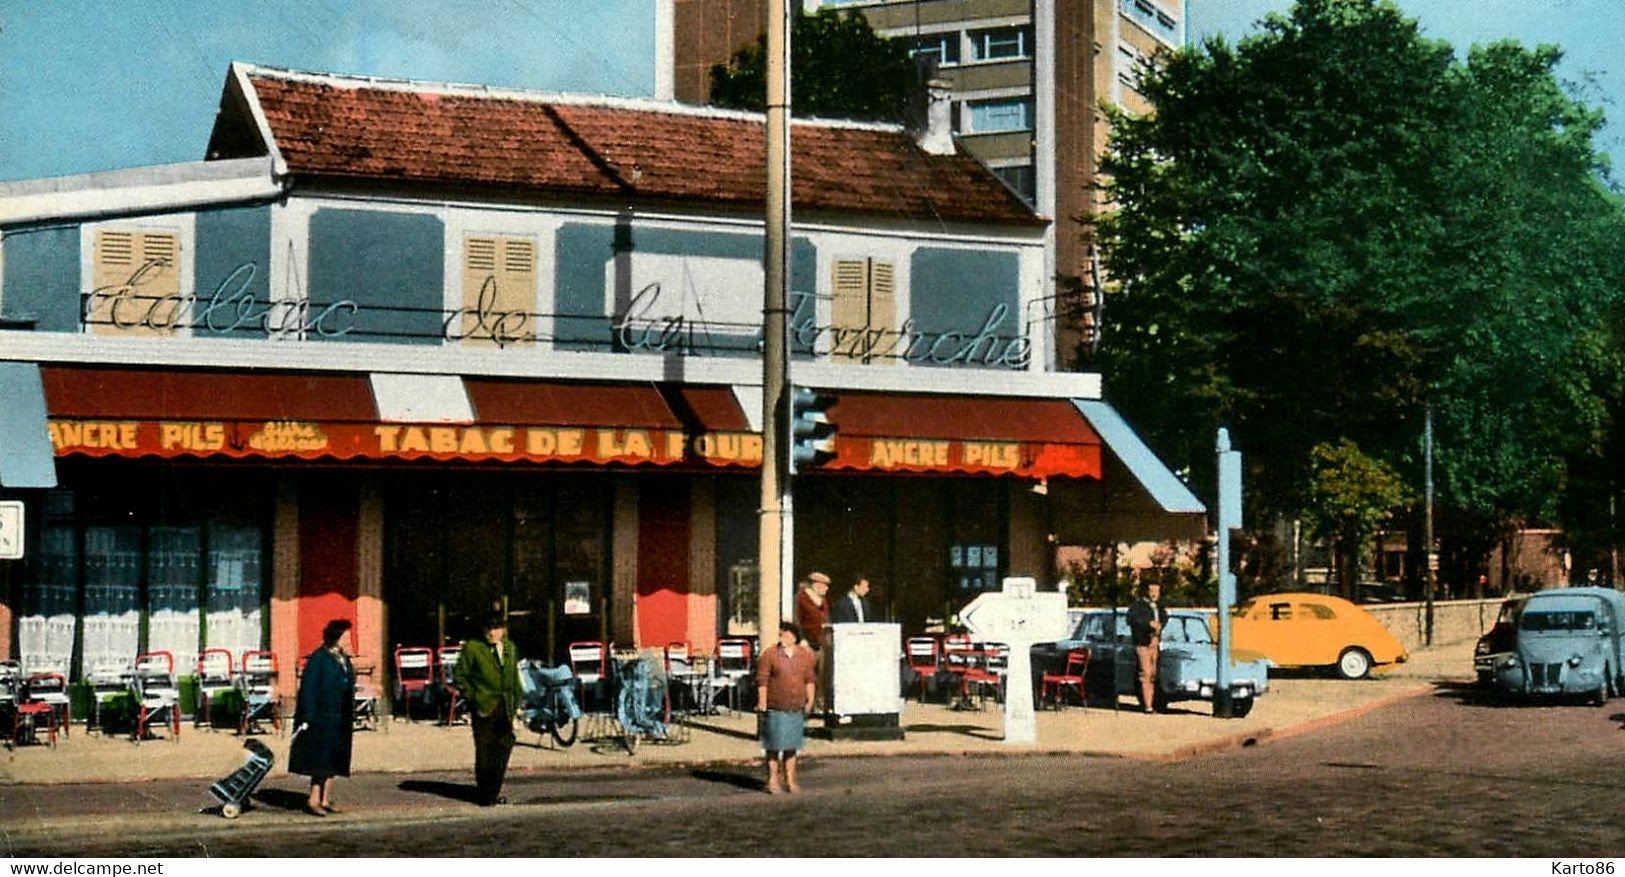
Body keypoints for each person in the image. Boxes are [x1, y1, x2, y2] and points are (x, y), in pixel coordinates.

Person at [452, 612, 523, 806]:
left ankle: (494, 789)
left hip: (505, 705)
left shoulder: (510, 648)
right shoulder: (473, 648)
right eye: (489, 629)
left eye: (497, 629)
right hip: (483, 705)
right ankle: (485, 794)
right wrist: (473, 696)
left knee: (504, 746)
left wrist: (517, 702)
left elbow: (514, 677)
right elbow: (459, 675)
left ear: (504, 630)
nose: (493, 633)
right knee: (485, 750)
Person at [288, 618, 357, 817]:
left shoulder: (343, 658)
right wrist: (308, 716)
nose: (349, 639)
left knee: (334, 759)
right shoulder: (319, 658)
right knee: (320, 760)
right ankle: (313, 799)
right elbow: (308, 689)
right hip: (321, 716)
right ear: (336, 637)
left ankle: (326, 799)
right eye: (346, 636)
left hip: (340, 716)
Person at [754, 620, 817, 795]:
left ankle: (790, 780)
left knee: (791, 746)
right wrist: (762, 701)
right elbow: (762, 680)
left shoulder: (804, 655)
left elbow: (810, 679)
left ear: (794, 637)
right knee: (773, 745)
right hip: (776, 707)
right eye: (781, 634)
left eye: (787, 634)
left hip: (795, 708)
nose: (783, 637)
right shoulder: (770, 654)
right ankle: (772, 780)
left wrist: (810, 700)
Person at [1126, 581, 1167, 714]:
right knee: (1146, 673)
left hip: (1155, 644)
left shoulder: (1159, 607)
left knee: (1154, 674)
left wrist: (1159, 626)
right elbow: (1132, 619)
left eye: (1157, 591)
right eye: (1152, 591)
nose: (1155, 594)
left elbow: (1165, 617)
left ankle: (1152, 702)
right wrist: (1148, 624)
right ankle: (1147, 706)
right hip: (1143, 644)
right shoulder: (1138, 606)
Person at [793, 572, 832, 711]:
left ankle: (818, 704)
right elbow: (797, 619)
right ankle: (805, 705)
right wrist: (801, 639)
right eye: (824, 585)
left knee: (820, 676)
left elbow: (826, 619)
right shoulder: (801, 597)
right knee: (807, 675)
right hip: (806, 642)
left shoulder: (823, 601)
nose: (826, 589)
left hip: (820, 643)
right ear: (816, 584)